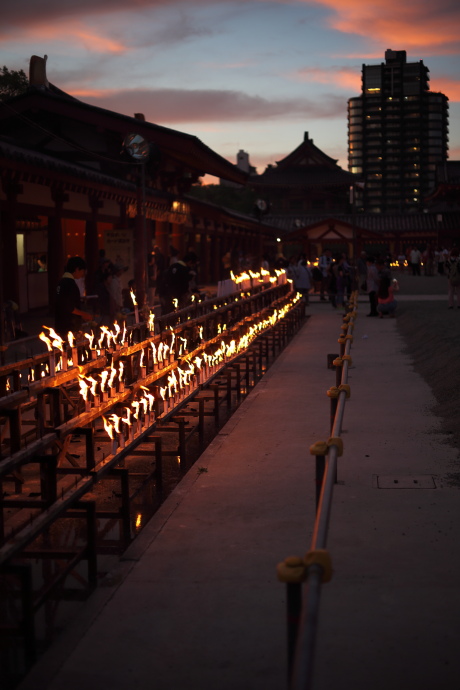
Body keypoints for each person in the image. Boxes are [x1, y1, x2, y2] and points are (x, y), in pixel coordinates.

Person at [55, 256, 92, 337]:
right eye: (83, 271)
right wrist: (84, 314)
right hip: (69, 326)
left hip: (60, 323)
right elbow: (70, 307)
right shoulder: (70, 284)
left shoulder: (61, 282)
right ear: (77, 269)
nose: (83, 274)